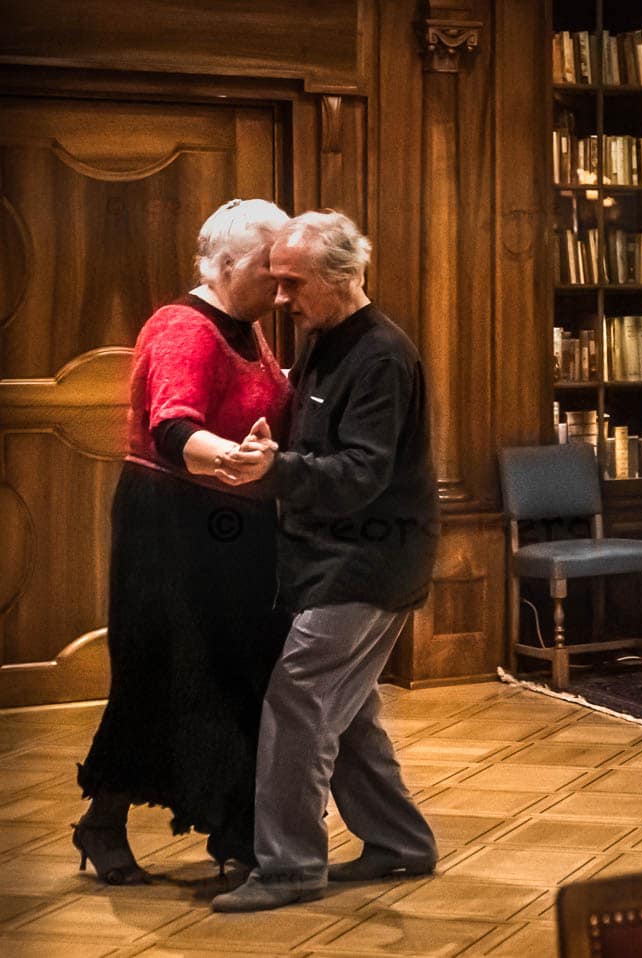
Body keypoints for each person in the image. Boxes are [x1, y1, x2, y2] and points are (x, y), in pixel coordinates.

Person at [209, 210, 440, 913]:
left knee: (299, 701)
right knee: (350, 712)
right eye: (276, 281)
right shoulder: (322, 338)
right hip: (329, 558)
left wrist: (275, 469)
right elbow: (314, 446)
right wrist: (267, 451)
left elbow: (361, 474)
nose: (281, 298)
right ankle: (400, 842)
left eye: (294, 283)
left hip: (368, 563)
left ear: (342, 277)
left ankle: (289, 869)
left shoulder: (382, 356)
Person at [75, 198, 293, 883]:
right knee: (167, 675)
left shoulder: (248, 327)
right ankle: (110, 823)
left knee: (233, 675)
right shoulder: (183, 327)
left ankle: (236, 836)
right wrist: (232, 459)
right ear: (226, 265)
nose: (280, 286)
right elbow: (172, 428)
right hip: (171, 526)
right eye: (269, 268)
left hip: (227, 525)